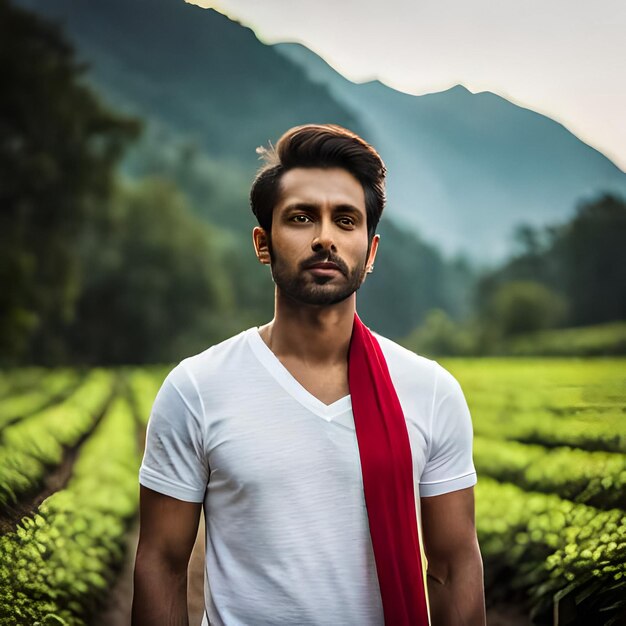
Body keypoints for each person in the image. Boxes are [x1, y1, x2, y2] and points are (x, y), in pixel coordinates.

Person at [132, 124, 486, 625]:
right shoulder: (197, 389)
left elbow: (453, 565)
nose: (324, 237)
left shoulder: (430, 393)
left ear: (372, 251)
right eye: (301, 218)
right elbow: (162, 564)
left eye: (345, 220)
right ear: (263, 243)